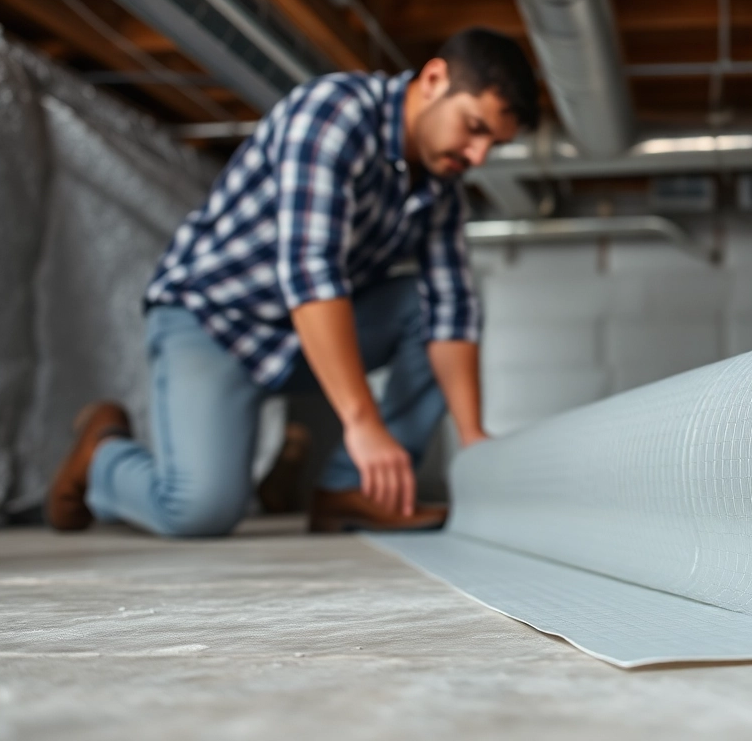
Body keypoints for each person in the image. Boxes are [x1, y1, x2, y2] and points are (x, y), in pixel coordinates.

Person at [46, 27, 539, 536]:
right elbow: (311, 272)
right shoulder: (332, 115)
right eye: (474, 127)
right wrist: (363, 422)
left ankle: (351, 491)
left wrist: (473, 435)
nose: (478, 157)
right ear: (435, 79)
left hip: (301, 338)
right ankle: (101, 450)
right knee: (197, 511)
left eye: (493, 145)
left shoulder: (441, 188)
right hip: (213, 322)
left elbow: (452, 309)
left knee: (427, 308)